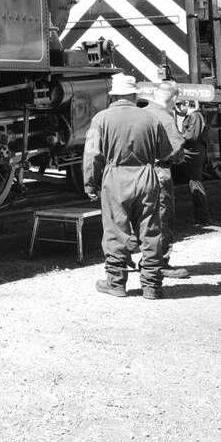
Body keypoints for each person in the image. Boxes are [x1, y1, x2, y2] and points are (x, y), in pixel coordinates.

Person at [83, 72, 176, 299]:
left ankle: (116, 283)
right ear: (135, 95)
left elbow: (93, 155)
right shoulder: (151, 118)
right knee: (150, 231)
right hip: (146, 176)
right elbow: (166, 152)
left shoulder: (101, 119)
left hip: (115, 178)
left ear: (113, 96)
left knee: (116, 231)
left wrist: (90, 184)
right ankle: (152, 286)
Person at [141, 81, 190, 279]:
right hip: (159, 171)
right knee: (162, 216)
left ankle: (147, 259)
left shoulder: (142, 112)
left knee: (144, 218)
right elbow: (177, 149)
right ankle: (160, 262)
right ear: (175, 99)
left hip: (138, 171)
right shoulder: (165, 118)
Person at [175, 99, 213, 225]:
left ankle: (204, 218)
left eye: (179, 105)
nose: (178, 109)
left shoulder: (195, 116)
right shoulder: (193, 116)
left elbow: (192, 136)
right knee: (194, 184)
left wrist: (177, 137)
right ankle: (202, 217)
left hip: (193, 154)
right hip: (193, 153)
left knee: (196, 184)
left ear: (186, 104)